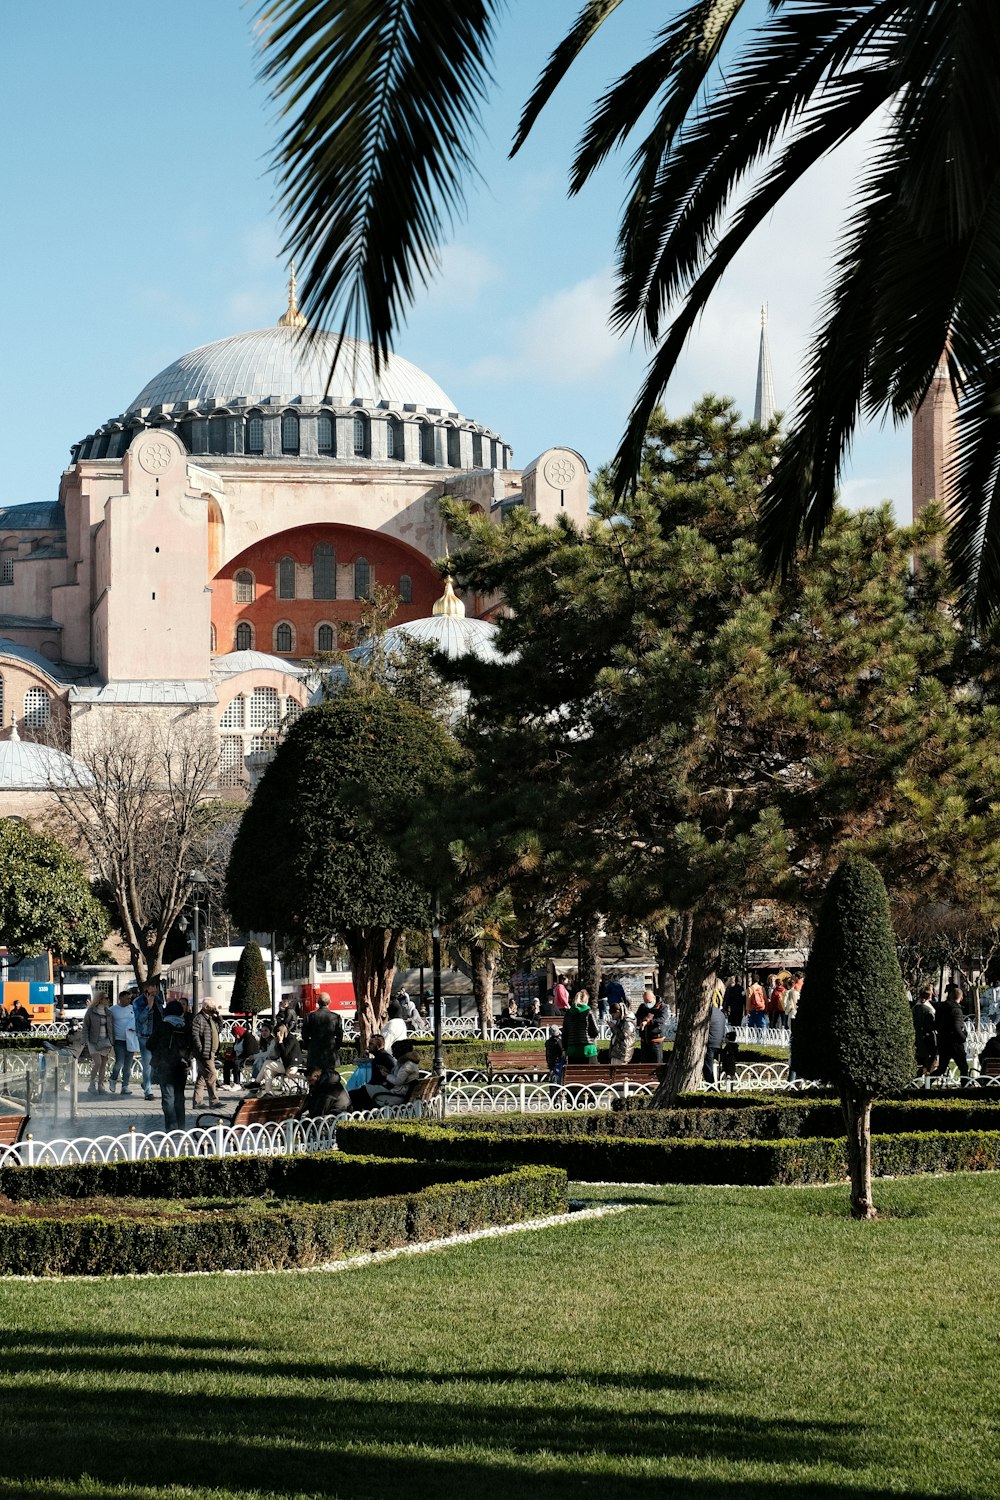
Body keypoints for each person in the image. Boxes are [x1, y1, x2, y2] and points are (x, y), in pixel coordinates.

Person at [149, 999, 194, 1131]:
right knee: (179, 1096)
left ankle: (171, 1127)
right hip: (181, 1066)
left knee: (168, 1097)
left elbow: (149, 1044)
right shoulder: (186, 1026)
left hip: (165, 1066)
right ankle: (181, 1127)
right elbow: (192, 1045)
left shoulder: (163, 1026)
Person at [362, 1038, 423, 1107]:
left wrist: (386, 1075)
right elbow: (397, 1076)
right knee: (363, 1091)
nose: (393, 1055)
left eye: (394, 1052)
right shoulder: (404, 1063)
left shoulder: (407, 1065)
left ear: (400, 1053)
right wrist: (387, 1071)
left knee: (362, 1092)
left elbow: (398, 1081)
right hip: (397, 1092)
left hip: (396, 1095)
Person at [133, 980, 163, 1100]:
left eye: (155, 992)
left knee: (158, 1063)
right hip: (145, 1036)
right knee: (147, 1064)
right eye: (151, 992)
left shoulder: (158, 1000)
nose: (154, 994)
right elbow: (140, 1019)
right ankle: (148, 1091)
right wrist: (148, 1007)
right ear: (145, 992)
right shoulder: (138, 1002)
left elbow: (162, 1015)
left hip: (158, 1036)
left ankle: (146, 1082)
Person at [934, 985, 970, 1081]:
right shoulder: (957, 1010)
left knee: (941, 1068)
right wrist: (963, 1037)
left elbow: (936, 1024)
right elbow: (956, 1027)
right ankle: (965, 1088)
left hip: (943, 1041)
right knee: (963, 1068)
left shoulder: (941, 1008)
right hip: (955, 1043)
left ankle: (927, 1084)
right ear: (961, 997)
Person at [107, 989, 140, 1096]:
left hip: (130, 1040)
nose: (129, 1000)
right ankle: (113, 1079)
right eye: (127, 998)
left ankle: (125, 1086)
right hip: (119, 1040)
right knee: (119, 1062)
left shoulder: (132, 1008)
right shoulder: (113, 1010)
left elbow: (136, 1020)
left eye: (130, 999)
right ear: (121, 998)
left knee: (128, 1065)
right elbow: (108, 1024)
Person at [302, 993, 344, 1074]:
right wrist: (336, 1046)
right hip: (330, 1050)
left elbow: (304, 1034)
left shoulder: (310, 1016)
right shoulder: (335, 1017)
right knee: (330, 1075)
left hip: (314, 1050)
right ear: (330, 1002)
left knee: (315, 1076)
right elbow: (339, 1035)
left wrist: (308, 1045)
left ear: (318, 1002)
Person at [191, 1000, 221, 1108]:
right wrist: (201, 1050)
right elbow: (195, 1036)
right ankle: (214, 1100)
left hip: (211, 1052)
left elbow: (220, 1029)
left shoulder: (211, 1018)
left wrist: (218, 1016)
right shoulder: (199, 1018)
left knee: (202, 1077)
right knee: (211, 1075)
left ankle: (197, 1102)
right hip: (205, 1053)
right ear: (207, 1006)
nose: (214, 1008)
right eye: (213, 1006)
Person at [82, 992, 113, 1095]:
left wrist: (112, 1041)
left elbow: (111, 1027)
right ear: (100, 999)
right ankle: (91, 1084)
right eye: (106, 998)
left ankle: (101, 1085)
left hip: (105, 1041)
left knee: (103, 1064)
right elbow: (85, 1026)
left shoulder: (108, 1012)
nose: (108, 1000)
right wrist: (84, 1040)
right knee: (98, 1062)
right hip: (93, 1041)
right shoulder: (91, 1012)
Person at [562, 991, 598, 1063]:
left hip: (572, 1050)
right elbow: (595, 1031)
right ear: (586, 1000)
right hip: (588, 1049)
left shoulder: (568, 1013)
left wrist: (564, 1049)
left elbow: (565, 1033)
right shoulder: (588, 1012)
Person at [911, 985, 938, 1075]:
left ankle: (923, 1075)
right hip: (927, 1037)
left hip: (918, 1036)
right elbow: (931, 1024)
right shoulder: (926, 1009)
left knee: (924, 1060)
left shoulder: (915, 1007)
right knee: (931, 1058)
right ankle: (927, 1076)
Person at [703, 1004, 729, 1083]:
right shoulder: (721, 1014)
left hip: (711, 1042)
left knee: (708, 1064)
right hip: (719, 1042)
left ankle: (710, 1083)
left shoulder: (708, 1013)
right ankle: (717, 1081)